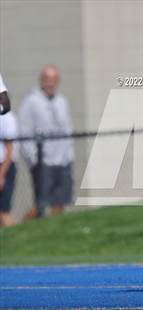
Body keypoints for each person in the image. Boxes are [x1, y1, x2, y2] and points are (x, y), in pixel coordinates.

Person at [19, 65, 74, 219]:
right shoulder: (31, 102)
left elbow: (67, 129)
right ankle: (23, 227)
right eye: (47, 80)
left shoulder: (62, 101)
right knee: (41, 205)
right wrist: (33, 159)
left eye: (53, 80)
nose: (50, 84)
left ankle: (55, 233)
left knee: (61, 202)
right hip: (43, 161)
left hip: (62, 161)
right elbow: (24, 131)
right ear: (41, 81)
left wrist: (69, 156)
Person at [0, 74, 18, 226]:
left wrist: (1, 175)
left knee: (3, 212)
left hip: (3, 166)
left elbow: (9, 148)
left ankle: (18, 246)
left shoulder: (6, 117)